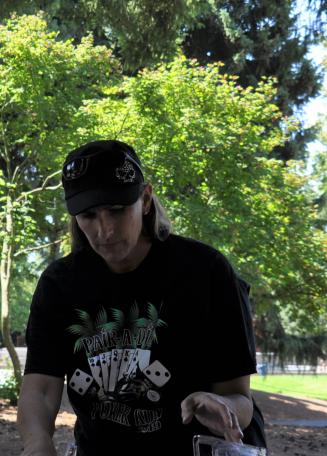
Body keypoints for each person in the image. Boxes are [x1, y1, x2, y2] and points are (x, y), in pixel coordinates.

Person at [17, 140, 258, 455]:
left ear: (145, 199)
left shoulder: (206, 272)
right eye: (88, 215)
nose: (105, 230)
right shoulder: (59, 284)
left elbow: (241, 401)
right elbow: (40, 390)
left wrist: (221, 404)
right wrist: (37, 443)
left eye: (117, 210)